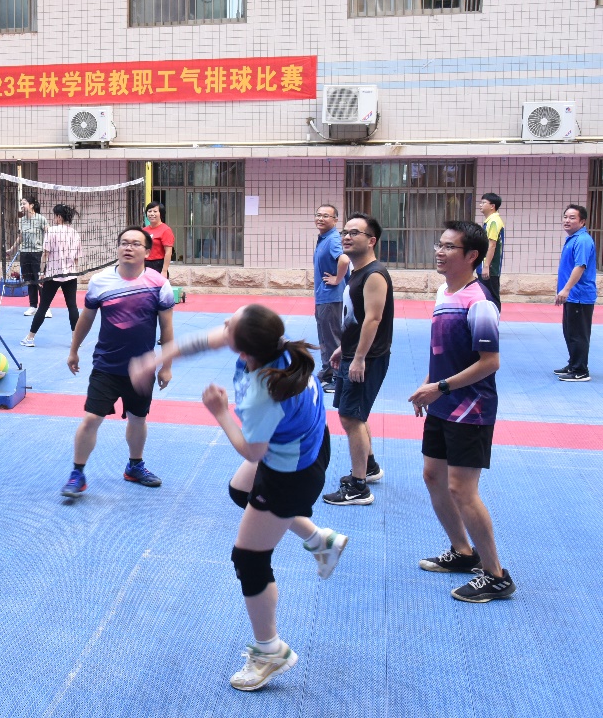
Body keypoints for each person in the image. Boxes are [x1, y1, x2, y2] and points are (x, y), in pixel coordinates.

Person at [130, 305, 348, 690]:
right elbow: (208, 339)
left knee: (249, 559)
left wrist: (220, 412)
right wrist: (156, 358)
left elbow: (252, 451)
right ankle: (320, 540)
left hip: (290, 473)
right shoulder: (273, 344)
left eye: (229, 324)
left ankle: (270, 651)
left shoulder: (264, 392)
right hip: (306, 444)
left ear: (243, 349)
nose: (223, 325)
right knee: (239, 490)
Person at [408, 221, 514, 602]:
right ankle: (463, 552)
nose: (439, 251)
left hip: (471, 408)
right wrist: (429, 387)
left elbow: (490, 362)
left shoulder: (479, 302)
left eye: (449, 247)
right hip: (442, 402)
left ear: (472, 256)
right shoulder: (443, 292)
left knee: (462, 490)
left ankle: (496, 575)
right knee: (433, 476)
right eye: (439, 244)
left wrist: (440, 387)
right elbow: (444, 352)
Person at [59, 226, 174, 498]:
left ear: (147, 252)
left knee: (138, 419)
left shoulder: (159, 284)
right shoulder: (100, 281)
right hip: (106, 366)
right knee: (91, 418)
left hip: (142, 369)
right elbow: (86, 318)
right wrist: (74, 350)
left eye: (135, 243)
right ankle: (77, 473)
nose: (128, 247)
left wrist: (166, 366)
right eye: (123, 243)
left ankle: (135, 466)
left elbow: (167, 328)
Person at [322, 213, 390, 507]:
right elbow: (356, 317)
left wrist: (359, 358)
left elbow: (373, 319)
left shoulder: (374, 274)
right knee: (356, 414)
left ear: (371, 240)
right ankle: (369, 466)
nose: (347, 237)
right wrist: (344, 348)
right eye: (345, 232)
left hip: (367, 358)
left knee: (351, 417)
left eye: (354, 233)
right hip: (353, 353)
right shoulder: (357, 272)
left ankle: (359, 486)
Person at [21, 204, 81, 348]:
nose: (54, 218)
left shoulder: (52, 231)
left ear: (59, 217)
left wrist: (41, 273)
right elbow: (76, 258)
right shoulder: (75, 233)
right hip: (70, 275)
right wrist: (74, 271)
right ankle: (76, 340)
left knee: (43, 307)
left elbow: (45, 254)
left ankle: (30, 338)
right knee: (72, 307)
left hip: (53, 275)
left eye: (55, 216)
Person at [554, 204, 596, 383]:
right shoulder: (573, 239)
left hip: (580, 296)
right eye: (565, 217)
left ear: (582, 221)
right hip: (572, 296)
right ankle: (573, 364)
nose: (567, 220)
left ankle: (580, 370)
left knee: (578, 334)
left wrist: (566, 289)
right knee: (570, 332)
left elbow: (580, 266)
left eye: (572, 218)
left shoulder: (583, 240)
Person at [312, 204, 349, 392]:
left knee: (332, 338)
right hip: (323, 296)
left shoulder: (333, 239)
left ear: (335, 220)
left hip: (331, 297)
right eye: (318, 215)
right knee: (324, 337)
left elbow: (344, 259)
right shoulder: (324, 238)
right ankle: (327, 372)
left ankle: (337, 377)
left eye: (326, 216)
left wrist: (337, 279)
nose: (320, 218)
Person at [8, 195, 49, 317]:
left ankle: (45, 307)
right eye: (21, 204)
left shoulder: (41, 219)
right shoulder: (22, 220)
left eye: (24, 203)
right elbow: (20, 237)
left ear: (31, 205)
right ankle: (33, 306)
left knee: (40, 280)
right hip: (25, 253)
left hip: (38, 254)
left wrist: (48, 249)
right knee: (29, 281)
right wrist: (11, 249)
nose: (22, 206)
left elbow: (48, 233)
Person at [478, 193, 504, 310]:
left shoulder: (494, 221)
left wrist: (486, 266)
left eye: (484, 203)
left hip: (490, 267)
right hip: (485, 265)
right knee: (485, 295)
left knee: (491, 296)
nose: (480, 205)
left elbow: (492, 245)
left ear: (492, 206)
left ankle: (494, 318)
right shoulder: (489, 221)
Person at [143, 201, 174, 278]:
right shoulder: (144, 230)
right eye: (149, 211)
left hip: (158, 265)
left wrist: (164, 271)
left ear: (161, 213)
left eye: (155, 211)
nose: (152, 214)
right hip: (144, 264)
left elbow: (168, 252)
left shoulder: (166, 230)